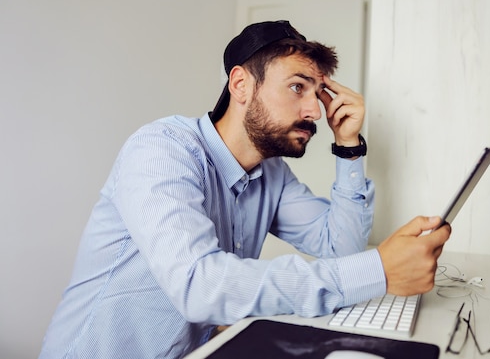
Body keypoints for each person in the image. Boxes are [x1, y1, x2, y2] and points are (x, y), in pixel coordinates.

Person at [38, 20, 451, 358]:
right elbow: (202, 286)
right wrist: (378, 269)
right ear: (240, 85)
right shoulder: (161, 150)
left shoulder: (270, 174)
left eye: (318, 92)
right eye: (297, 87)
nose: (315, 111)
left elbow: (339, 247)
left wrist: (348, 146)